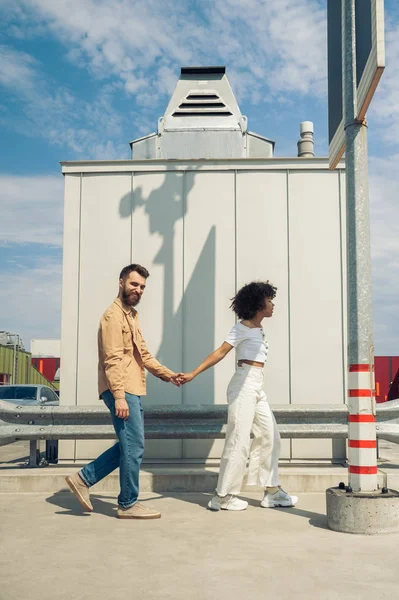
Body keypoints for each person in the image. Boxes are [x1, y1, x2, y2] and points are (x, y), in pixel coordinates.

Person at [66, 263, 180, 519]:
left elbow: (144, 355)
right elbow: (113, 360)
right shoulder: (112, 317)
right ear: (121, 283)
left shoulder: (131, 316)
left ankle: (83, 479)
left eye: (142, 287)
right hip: (121, 388)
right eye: (134, 284)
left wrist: (168, 375)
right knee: (134, 446)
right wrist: (119, 396)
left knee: (130, 445)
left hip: (131, 387)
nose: (138, 290)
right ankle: (128, 503)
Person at [177, 281, 298, 511]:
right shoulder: (241, 328)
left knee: (270, 435)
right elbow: (220, 353)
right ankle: (223, 496)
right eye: (269, 300)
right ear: (258, 303)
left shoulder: (258, 329)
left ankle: (272, 491)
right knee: (238, 441)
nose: (272, 304)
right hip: (243, 386)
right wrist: (193, 373)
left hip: (256, 386)